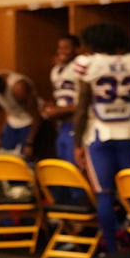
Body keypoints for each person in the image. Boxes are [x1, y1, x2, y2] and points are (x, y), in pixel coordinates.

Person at [73, 22, 130, 253]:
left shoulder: (89, 64)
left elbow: (81, 108)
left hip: (98, 135)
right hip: (127, 133)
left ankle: (112, 248)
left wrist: (77, 143)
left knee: (104, 193)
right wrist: (127, 119)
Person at [43, 34, 83, 164]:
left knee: (75, 168)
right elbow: (60, 97)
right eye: (60, 48)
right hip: (62, 125)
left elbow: (83, 102)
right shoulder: (56, 70)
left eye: (66, 48)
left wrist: (60, 110)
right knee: (64, 166)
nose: (61, 52)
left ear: (76, 49)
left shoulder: (80, 68)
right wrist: (51, 108)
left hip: (76, 123)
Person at [0, 70, 41, 160]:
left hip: (30, 122)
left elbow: (36, 115)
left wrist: (29, 142)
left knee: (23, 159)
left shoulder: (18, 88)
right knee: (4, 156)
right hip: (12, 121)